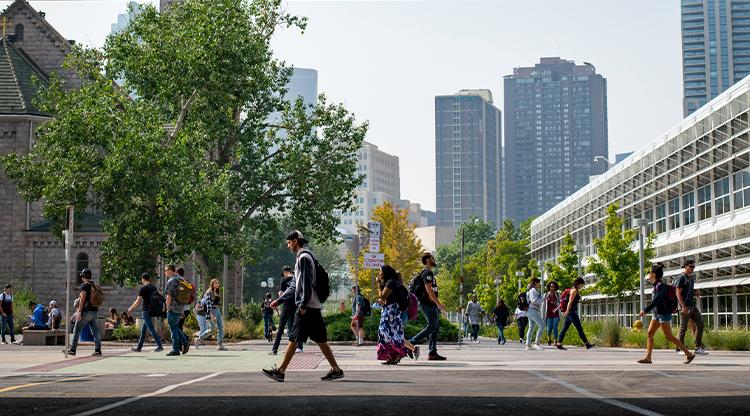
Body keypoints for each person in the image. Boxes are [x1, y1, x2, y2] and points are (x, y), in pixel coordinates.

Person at [262, 230, 344, 382]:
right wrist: (279, 301)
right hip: (312, 305)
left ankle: (280, 371)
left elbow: (305, 283)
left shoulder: (304, 258)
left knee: (294, 338)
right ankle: (336, 369)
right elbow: (294, 285)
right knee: (319, 339)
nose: (288, 246)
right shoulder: (302, 257)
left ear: (295, 241)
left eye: (288, 243)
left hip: (307, 307)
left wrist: (303, 304)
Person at [638, 263, 696, 365]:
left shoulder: (660, 286)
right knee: (650, 333)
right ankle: (648, 357)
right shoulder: (656, 285)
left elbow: (656, 300)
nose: (648, 274)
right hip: (657, 314)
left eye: (650, 272)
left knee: (669, 337)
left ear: (654, 274)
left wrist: (645, 310)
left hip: (663, 314)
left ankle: (688, 354)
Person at [408, 253, 446, 361]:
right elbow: (428, 288)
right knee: (432, 327)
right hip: (428, 304)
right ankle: (411, 342)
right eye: (432, 258)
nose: (434, 260)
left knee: (435, 328)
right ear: (428, 260)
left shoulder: (427, 272)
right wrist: (438, 303)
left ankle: (432, 352)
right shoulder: (427, 272)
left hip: (430, 304)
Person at [375, 265, 412, 364]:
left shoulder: (390, 282)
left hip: (391, 311)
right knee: (387, 333)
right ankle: (394, 356)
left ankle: (399, 353)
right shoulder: (389, 282)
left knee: (387, 333)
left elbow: (383, 296)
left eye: (380, 271)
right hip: (388, 309)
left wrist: (378, 284)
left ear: (385, 272)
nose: (379, 273)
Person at [675, 259, 707, 356]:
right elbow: (678, 292)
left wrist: (695, 293)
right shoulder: (681, 278)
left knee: (700, 324)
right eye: (691, 267)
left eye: (694, 267)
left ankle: (698, 347)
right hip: (685, 306)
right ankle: (679, 348)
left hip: (692, 305)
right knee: (683, 328)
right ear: (685, 267)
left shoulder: (691, 279)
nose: (692, 269)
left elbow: (688, 291)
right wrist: (683, 306)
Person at [67, 269, 102, 357]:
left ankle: (72, 350)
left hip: (86, 311)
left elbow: (82, 298)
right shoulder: (94, 285)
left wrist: (79, 312)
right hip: (94, 311)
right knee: (95, 332)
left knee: (76, 330)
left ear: (83, 276)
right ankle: (98, 350)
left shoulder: (84, 285)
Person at [127, 272, 163, 353]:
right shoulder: (154, 288)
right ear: (149, 279)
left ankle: (159, 345)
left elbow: (138, 301)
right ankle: (139, 347)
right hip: (152, 310)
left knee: (151, 328)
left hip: (146, 310)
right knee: (143, 330)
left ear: (142, 279)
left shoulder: (143, 289)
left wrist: (130, 309)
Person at [556, 277, 595, 350]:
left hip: (570, 312)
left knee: (564, 328)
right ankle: (587, 344)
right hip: (571, 312)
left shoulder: (572, 289)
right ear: (578, 284)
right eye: (582, 285)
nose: (582, 286)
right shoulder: (574, 290)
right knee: (579, 328)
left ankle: (559, 344)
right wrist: (567, 311)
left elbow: (573, 302)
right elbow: (570, 302)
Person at [271, 266, 298, 355]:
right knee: (293, 328)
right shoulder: (296, 278)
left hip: (286, 306)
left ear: (284, 272)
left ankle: (275, 349)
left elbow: (281, 294)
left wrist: (278, 301)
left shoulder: (284, 280)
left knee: (281, 327)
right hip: (295, 305)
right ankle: (294, 348)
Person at [164, 264, 190, 356]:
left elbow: (169, 296)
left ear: (171, 270)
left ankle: (175, 349)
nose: (165, 272)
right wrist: (182, 310)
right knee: (175, 326)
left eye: (166, 270)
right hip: (180, 307)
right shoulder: (181, 279)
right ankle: (185, 341)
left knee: (173, 328)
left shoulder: (171, 280)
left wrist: (166, 308)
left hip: (173, 307)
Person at [525, 278, 545, 351]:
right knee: (542, 325)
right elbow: (534, 301)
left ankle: (528, 344)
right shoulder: (533, 290)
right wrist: (543, 299)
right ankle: (536, 343)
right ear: (536, 283)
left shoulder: (530, 290)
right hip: (533, 310)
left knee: (531, 327)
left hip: (530, 310)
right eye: (539, 283)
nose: (540, 284)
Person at [207, 278, 226, 351]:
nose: (217, 284)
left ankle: (220, 344)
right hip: (212, 311)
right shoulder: (209, 292)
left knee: (221, 327)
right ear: (212, 284)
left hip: (217, 310)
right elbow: (208, 305)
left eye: (218, 283)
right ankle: (199, 339)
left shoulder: (217, 292)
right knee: (211, 329)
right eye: (215, 283)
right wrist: (211, 314)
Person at [545, 281, 561, 346]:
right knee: (548, 329)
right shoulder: (546, 294)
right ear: (549, 287)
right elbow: (543, 305)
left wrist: (556, 303)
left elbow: (561, 304)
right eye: (551, 286)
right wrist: (542, 314)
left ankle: (555, 341)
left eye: (553, 287)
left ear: (555, 287)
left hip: (556, 314)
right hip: (548, 314)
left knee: (555, 327)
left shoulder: (557, 295)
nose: (552, 288)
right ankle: (549, 338)